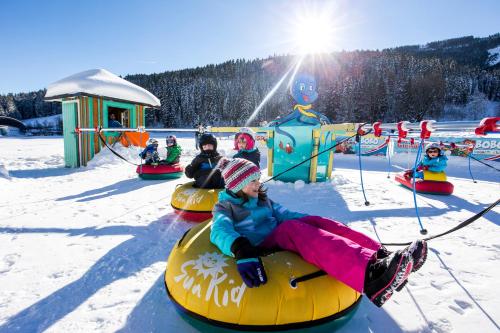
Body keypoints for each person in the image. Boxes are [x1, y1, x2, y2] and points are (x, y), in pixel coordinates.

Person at [210, 157, 428, 307]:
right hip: (258, 246)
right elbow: (219, 229)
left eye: (258, 179)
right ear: (236, 185)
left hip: (280, 235)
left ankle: (380, 256)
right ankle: (371, 277)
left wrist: (313, 223)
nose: (258, 184)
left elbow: (285, 213)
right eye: (252, 181)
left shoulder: (263, 200)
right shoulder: (225, 207)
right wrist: (240, 248)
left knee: (316, 221)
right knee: (291, 228)